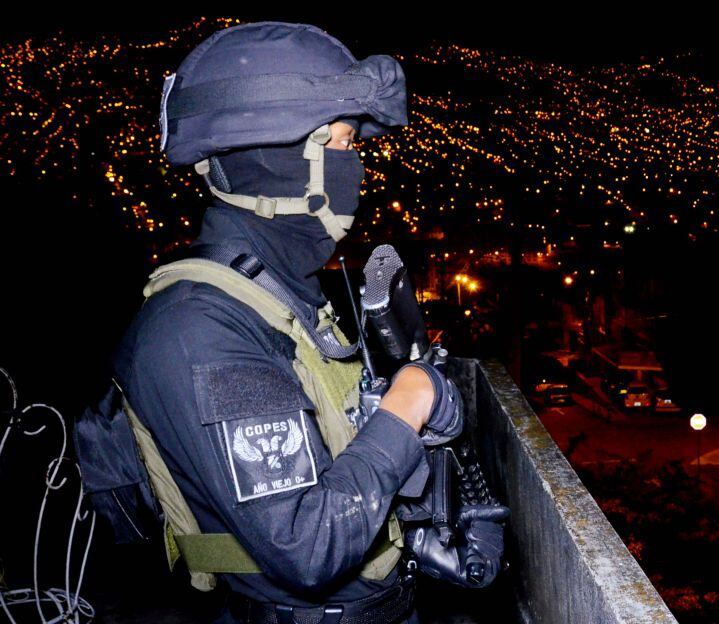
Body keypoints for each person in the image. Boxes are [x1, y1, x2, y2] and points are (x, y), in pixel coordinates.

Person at [101, 21, 505, 624]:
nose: (355, 167)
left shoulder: (277, 295)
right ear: (277, 160)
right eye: (341, 145)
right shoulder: (201, 328)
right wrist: (412, 399)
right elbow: (307, 543)